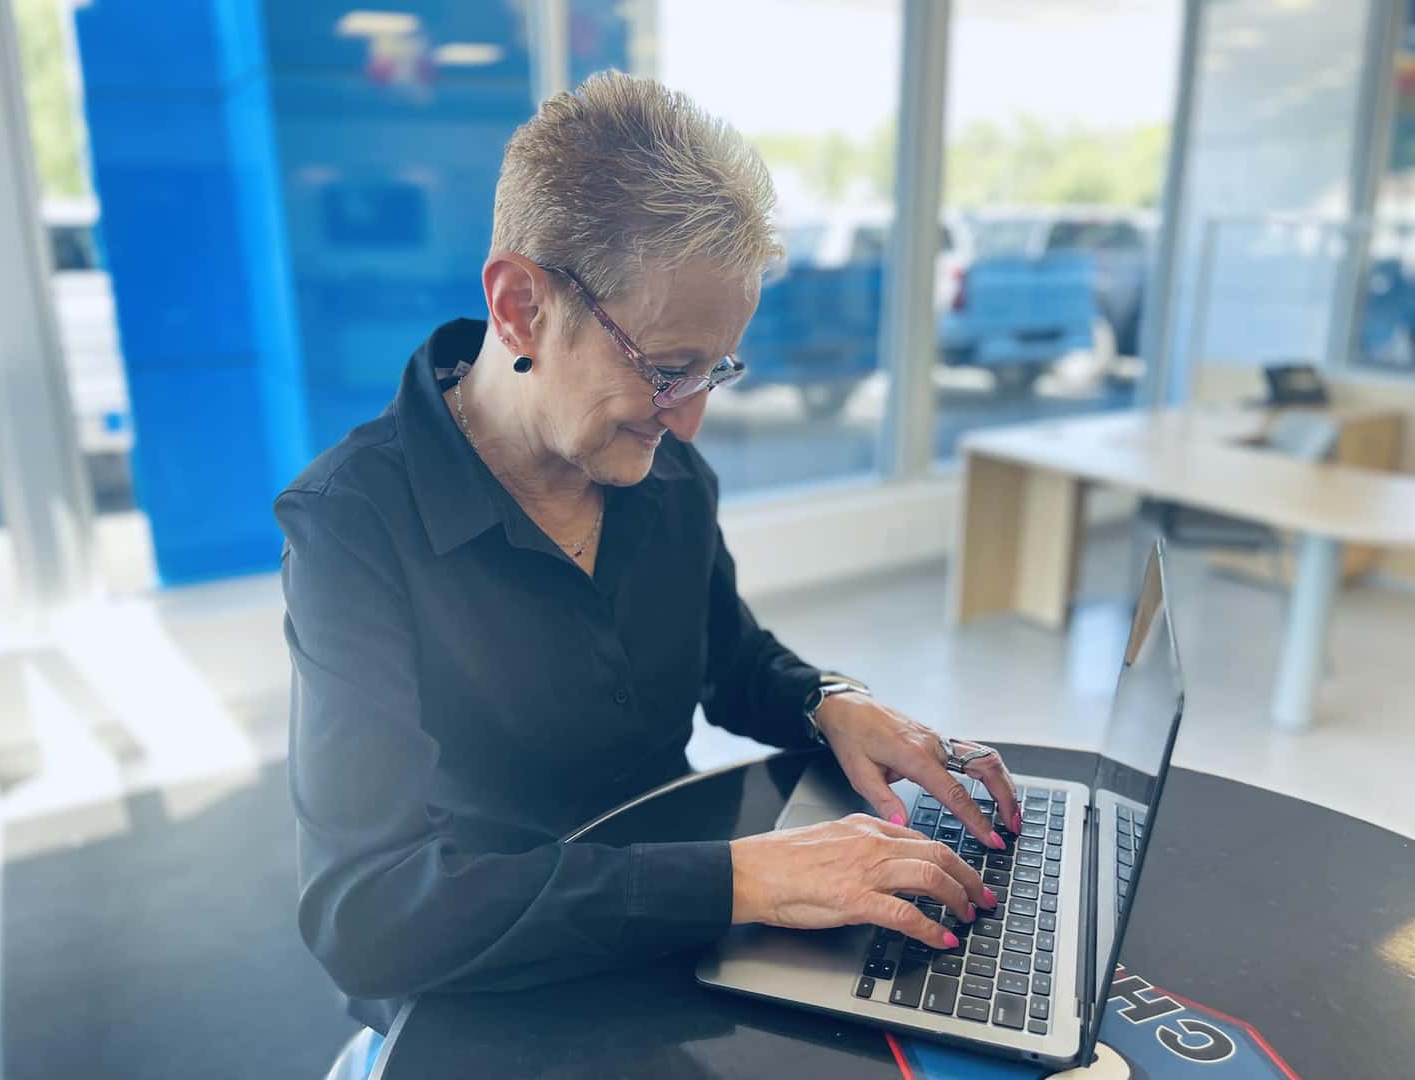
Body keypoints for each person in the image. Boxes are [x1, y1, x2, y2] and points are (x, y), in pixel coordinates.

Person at [275, 71, 1021, 1041]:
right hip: (479, 984)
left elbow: (729, 658)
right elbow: (370, 916)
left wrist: (828, 699)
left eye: (713, 369)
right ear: (520, 308)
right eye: (668, 370)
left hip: (680, 922)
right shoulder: (353, 526)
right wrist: (750, 877)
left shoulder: (661, 477)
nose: (693, 417)